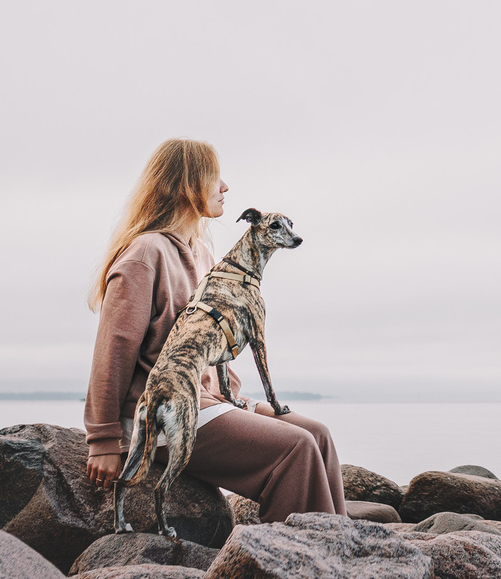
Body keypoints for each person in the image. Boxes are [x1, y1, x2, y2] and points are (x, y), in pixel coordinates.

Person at [81, 137, 345, 520]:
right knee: (297, 449)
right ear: (187, 185)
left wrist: (234, 398)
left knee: (318, 435)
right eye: (214, 178)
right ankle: (295, 570)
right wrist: (104, 440)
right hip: (162, 412)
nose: (225, 187)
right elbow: (112, 352)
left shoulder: (203, 253)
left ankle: (344, 553)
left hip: (209, 400)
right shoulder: (144, 255)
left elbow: (214, 337)